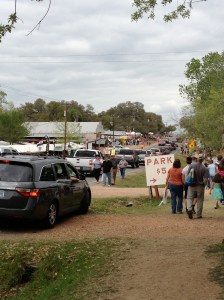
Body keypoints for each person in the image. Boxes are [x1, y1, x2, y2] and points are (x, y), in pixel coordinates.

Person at [186, 154, 209, 219]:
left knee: (190, 198)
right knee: (200, 200)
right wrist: (203, 184)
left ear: (197, 159)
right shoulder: (204, 168)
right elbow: (206, 178)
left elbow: (188, 174)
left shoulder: (192, 165)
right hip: (200, 185)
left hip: (192, 185)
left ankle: (190, 209)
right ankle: (199, 214)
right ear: (203, 160)